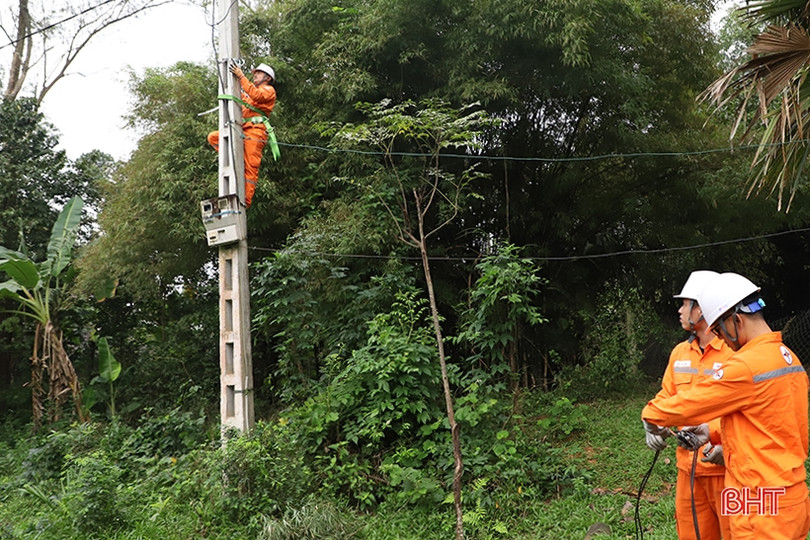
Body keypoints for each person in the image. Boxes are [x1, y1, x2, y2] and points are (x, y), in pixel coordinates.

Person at [642, 272, 810, 539]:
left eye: (720, 329)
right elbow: (766, 423)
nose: (722, 337)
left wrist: (651, 415)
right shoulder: (788, 358)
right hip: (784, 493)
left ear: (737, 320)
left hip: (760, 499)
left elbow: (694, 401)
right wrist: (713, 433)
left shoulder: (746, 364)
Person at [643, 270, 732, 540]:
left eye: (685, 303)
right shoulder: (680, 353)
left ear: (703, 308)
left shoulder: (734, 353)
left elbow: (744, 410)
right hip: (688, 472)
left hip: (726, 470)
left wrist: (722, 441)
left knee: (733, 534)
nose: (680, 310)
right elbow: (666, 397)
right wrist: (654, 425)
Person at [207, 62, 277, 208]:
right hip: (242, 130)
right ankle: (231, 159)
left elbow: (255, 94)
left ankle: (245, 201)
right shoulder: (250, 94)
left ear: (267, 78)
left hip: (256, 131)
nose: (255, 75)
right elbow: (244, 98)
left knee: (251, 166)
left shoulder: (268, 90)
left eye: (258, 73)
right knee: (213, 137)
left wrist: (241, 76)